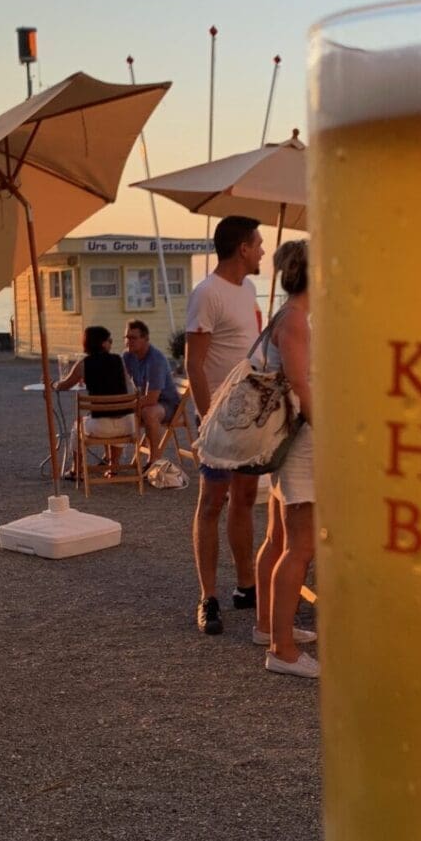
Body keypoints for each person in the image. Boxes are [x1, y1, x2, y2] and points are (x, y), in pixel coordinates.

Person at [185, 215, 264, 635]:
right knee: (211, 503)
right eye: (258, 244)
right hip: (218, 422)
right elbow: (193, 364)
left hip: (249, 417)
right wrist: (205, 421)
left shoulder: (248, 289)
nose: (264, 251)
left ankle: (246, 586)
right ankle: (208, 597)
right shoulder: (207, 293)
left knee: (245, 498)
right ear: (243, 249)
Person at [251, 242, 318, 678]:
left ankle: (267, 626)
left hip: (287, 441)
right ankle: (283, 649)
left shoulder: (285, 316)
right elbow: (300, 385)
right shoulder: (295, 320)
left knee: (277, 538)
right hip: (303, 442)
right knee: (300, 546)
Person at [54, 325, 135, 473]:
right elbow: (130, 388)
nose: (111, 343)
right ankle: (113, 466)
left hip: (100, 427)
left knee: (77, 426)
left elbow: (63, 385)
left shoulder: (83, 364)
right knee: (117, 417)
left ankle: (76, 469)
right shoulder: (119, 360)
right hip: (127, 426)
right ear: (103, 343)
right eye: (110, 340)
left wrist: (52, 383)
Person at [120, 319, 179, 468]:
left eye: (133, 338)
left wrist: (127, 405)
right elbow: (120, 384)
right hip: (146, 401)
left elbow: (152, 399)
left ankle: (154, 461)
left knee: (149, 413)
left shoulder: (155, 359)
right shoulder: (128, 356)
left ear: (145, 338)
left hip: (167, 404)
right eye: (126, 337)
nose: (128, 341)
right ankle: (111, 460)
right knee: (112, 411)